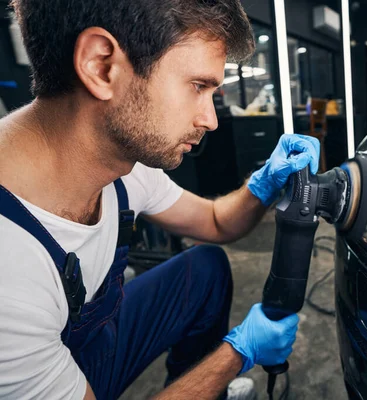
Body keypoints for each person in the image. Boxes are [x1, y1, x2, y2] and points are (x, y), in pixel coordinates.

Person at [0, 0, 320, 399]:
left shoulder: (123, 163)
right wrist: (235, 356)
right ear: (102, 66)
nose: (211, 119)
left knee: (204, 269)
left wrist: (263, 184)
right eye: (198, 86)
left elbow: (217, 222)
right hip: (51, 370)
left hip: (86, 341)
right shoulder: (9, 272)